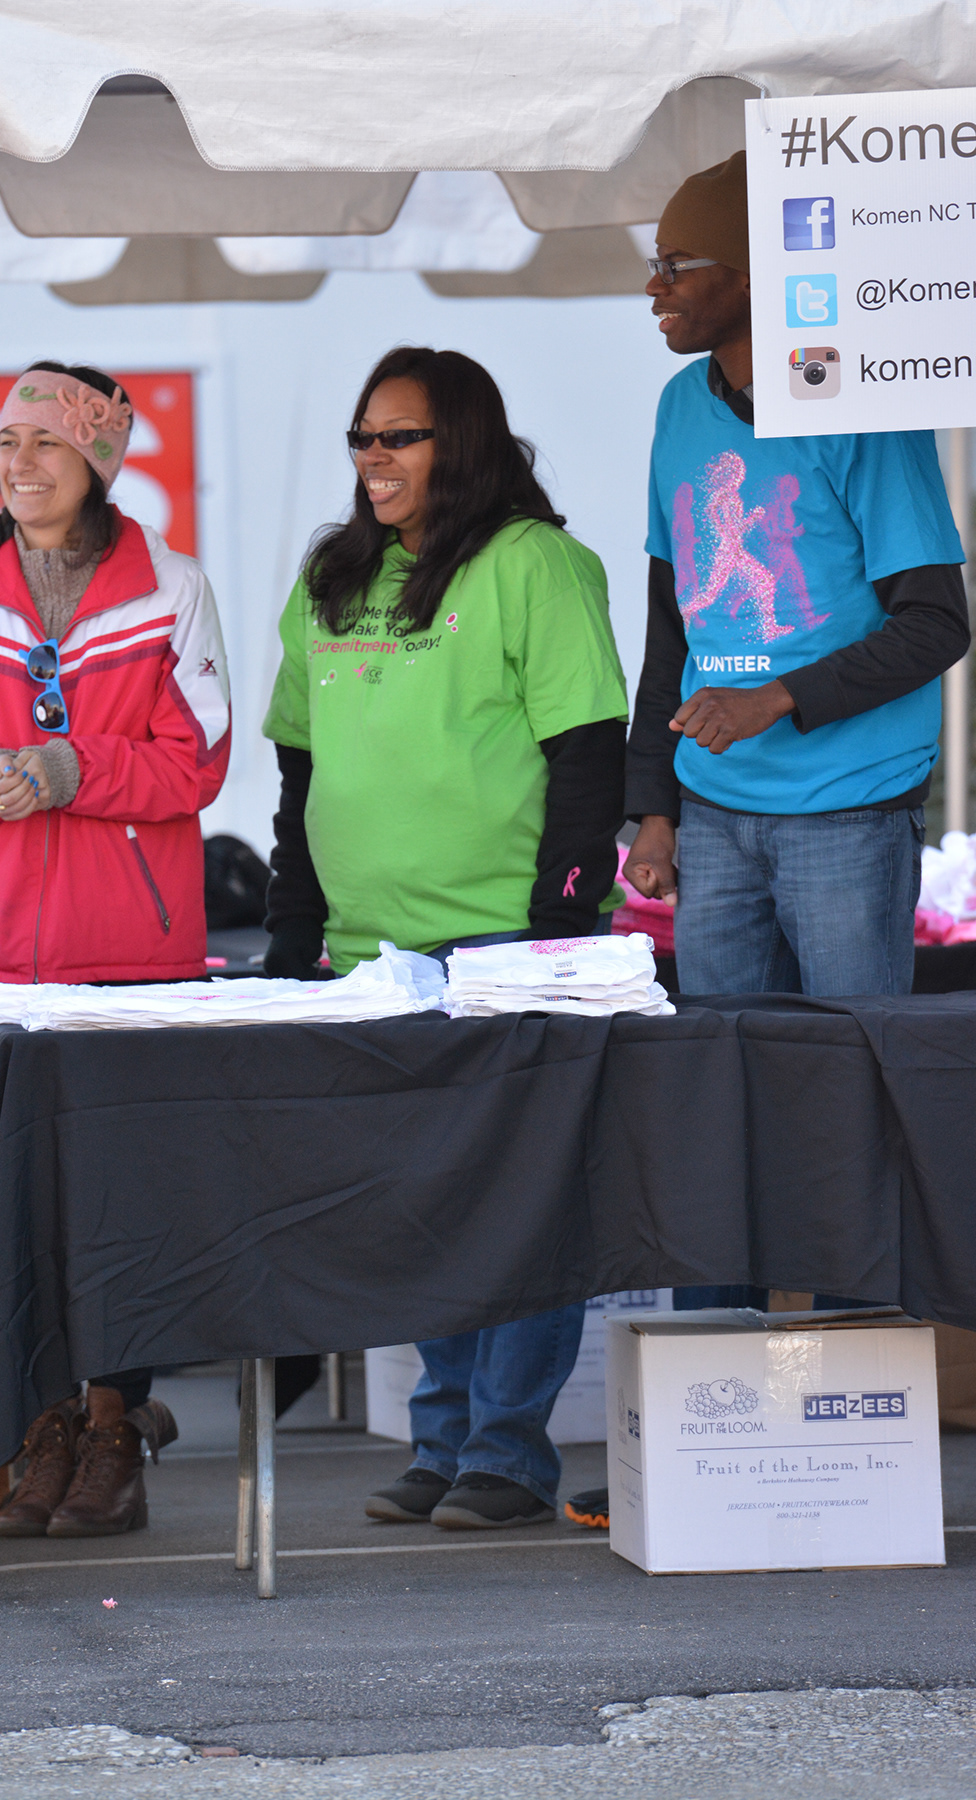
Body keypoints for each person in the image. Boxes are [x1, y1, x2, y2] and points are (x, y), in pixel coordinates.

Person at [262, 346, 628, 1528]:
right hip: (373, 952)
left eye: (400, 436)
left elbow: (586, 753)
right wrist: (293, 930)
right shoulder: (333, 575)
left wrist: (559, 929)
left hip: (504, 938)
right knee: (425, 1206)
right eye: (363, 438)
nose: (374, 458)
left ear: (459, 441)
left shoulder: (538, 565)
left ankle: (509, 1453)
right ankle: (442, 1437)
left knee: (518, 1205)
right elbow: (298, 773)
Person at [624, 152, 968, 1315]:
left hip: (848, 812)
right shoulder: (678, 408)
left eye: (679, 267)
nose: (655, 287)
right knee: (717, 1098)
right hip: (715, 819)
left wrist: (778, 699)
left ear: (760, 279)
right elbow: (670, 621)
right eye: (653, 264)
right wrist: (653, 804)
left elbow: (936, 622)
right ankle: (706, 1384)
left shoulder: (863, 410)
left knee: (848, 1096)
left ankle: (859, 1372)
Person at [0, 361, 231, 1535]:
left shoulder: (172, 585)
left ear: (97, 461)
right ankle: (45, 1423)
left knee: (123, 1213)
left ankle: (117, 1427)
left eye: (45, 443)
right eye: (6, 442)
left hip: (132, 955)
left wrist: (73, 768)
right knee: (9, 1211)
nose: (18, 464)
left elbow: (196, 760)